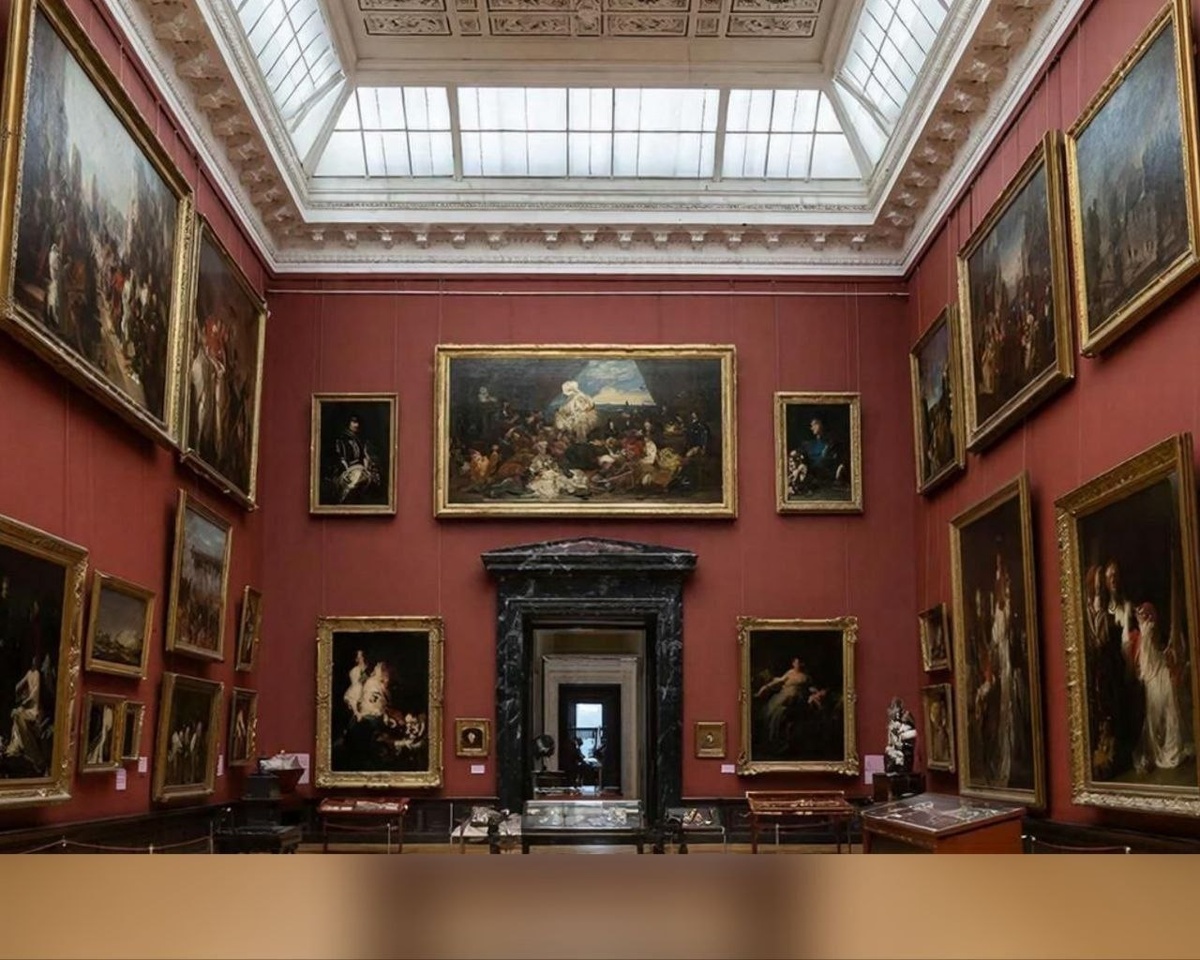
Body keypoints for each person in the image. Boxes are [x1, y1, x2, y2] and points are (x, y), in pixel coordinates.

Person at [1131, 602, 1188, 773]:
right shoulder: (1144, 632)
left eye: (1146, 614)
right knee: (1156, 714)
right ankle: (1158, 748)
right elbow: (1144, 658)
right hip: (1153, 674)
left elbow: (1152, 653)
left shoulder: (1150, 629)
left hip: (1158, 672)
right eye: (1142, 615)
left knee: (1168, 710)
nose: (1144, 617)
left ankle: (1169, 746)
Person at [755, 657, 826, 749]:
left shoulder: (806, 676)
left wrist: (817, 692)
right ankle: (774, 740)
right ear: (793, 664)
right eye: (797, 663)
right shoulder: (790, 673)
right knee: (775, 713)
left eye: (801, 663)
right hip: (785, 697)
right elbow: (779, 681)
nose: (799, 665)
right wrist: (766, 687)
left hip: (799, 699)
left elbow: (810, 687)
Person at [330, 414, 381, 504]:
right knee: (356, 477)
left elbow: (363, 457)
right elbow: (340, 459)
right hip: (346, 471)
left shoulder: (358, 440)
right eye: (353, 422)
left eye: (357, 423)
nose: (356, 425)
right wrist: (347, 470)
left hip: (360, 469)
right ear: (348, 423)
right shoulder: (341, 439)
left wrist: (366, 468)